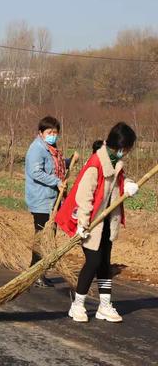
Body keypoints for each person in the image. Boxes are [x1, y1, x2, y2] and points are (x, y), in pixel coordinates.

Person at [56, 122, 139, 323]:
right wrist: (82, 224)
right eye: (127, 148)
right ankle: (77, 305)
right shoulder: (96, 163)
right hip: (91, 223)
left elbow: (120, 181)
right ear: (120, 147)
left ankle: (104, 305)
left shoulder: (116, 162)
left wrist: (127, 185)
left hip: (108, 221)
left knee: (104, 264)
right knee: (92, 262)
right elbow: (84, 197)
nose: (127, 152)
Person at [25, 116, 66, 288]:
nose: (53, 135)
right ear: (41, 133)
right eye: (49, 132)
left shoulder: (51, 148)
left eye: (55, 132)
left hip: (51, 200)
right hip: (41, 199)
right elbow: (36, 172)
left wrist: (69, 161)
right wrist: (56, 182)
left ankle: (39, 272)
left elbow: (53, 167)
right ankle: (35, 273)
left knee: (47, 237)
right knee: (42, 237)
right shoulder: (37, 149)